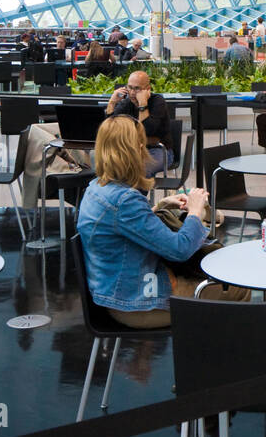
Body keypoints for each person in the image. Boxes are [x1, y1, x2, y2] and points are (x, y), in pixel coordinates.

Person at [77, 116, 247, 329]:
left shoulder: (95, 188)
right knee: (239, 288)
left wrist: (160, 206)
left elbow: (123, 228)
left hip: (111, 294)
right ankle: (217, 355)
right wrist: (195, 211)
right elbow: (180, 249)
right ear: (138, 149)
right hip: (137, 304)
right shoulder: (125, 200)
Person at [106, 70, 172, 176]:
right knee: (110, 167)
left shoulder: (158, 101)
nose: (132, 93)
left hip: (159, 150)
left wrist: (142, 104)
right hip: (132, 150)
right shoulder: (127, 103)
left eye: (137, 88)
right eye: (130, 87)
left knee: (140, 170)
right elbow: (110, 128)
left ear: (147, 89)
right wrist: (112, 102)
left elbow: (147, 130)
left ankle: (134, 193)